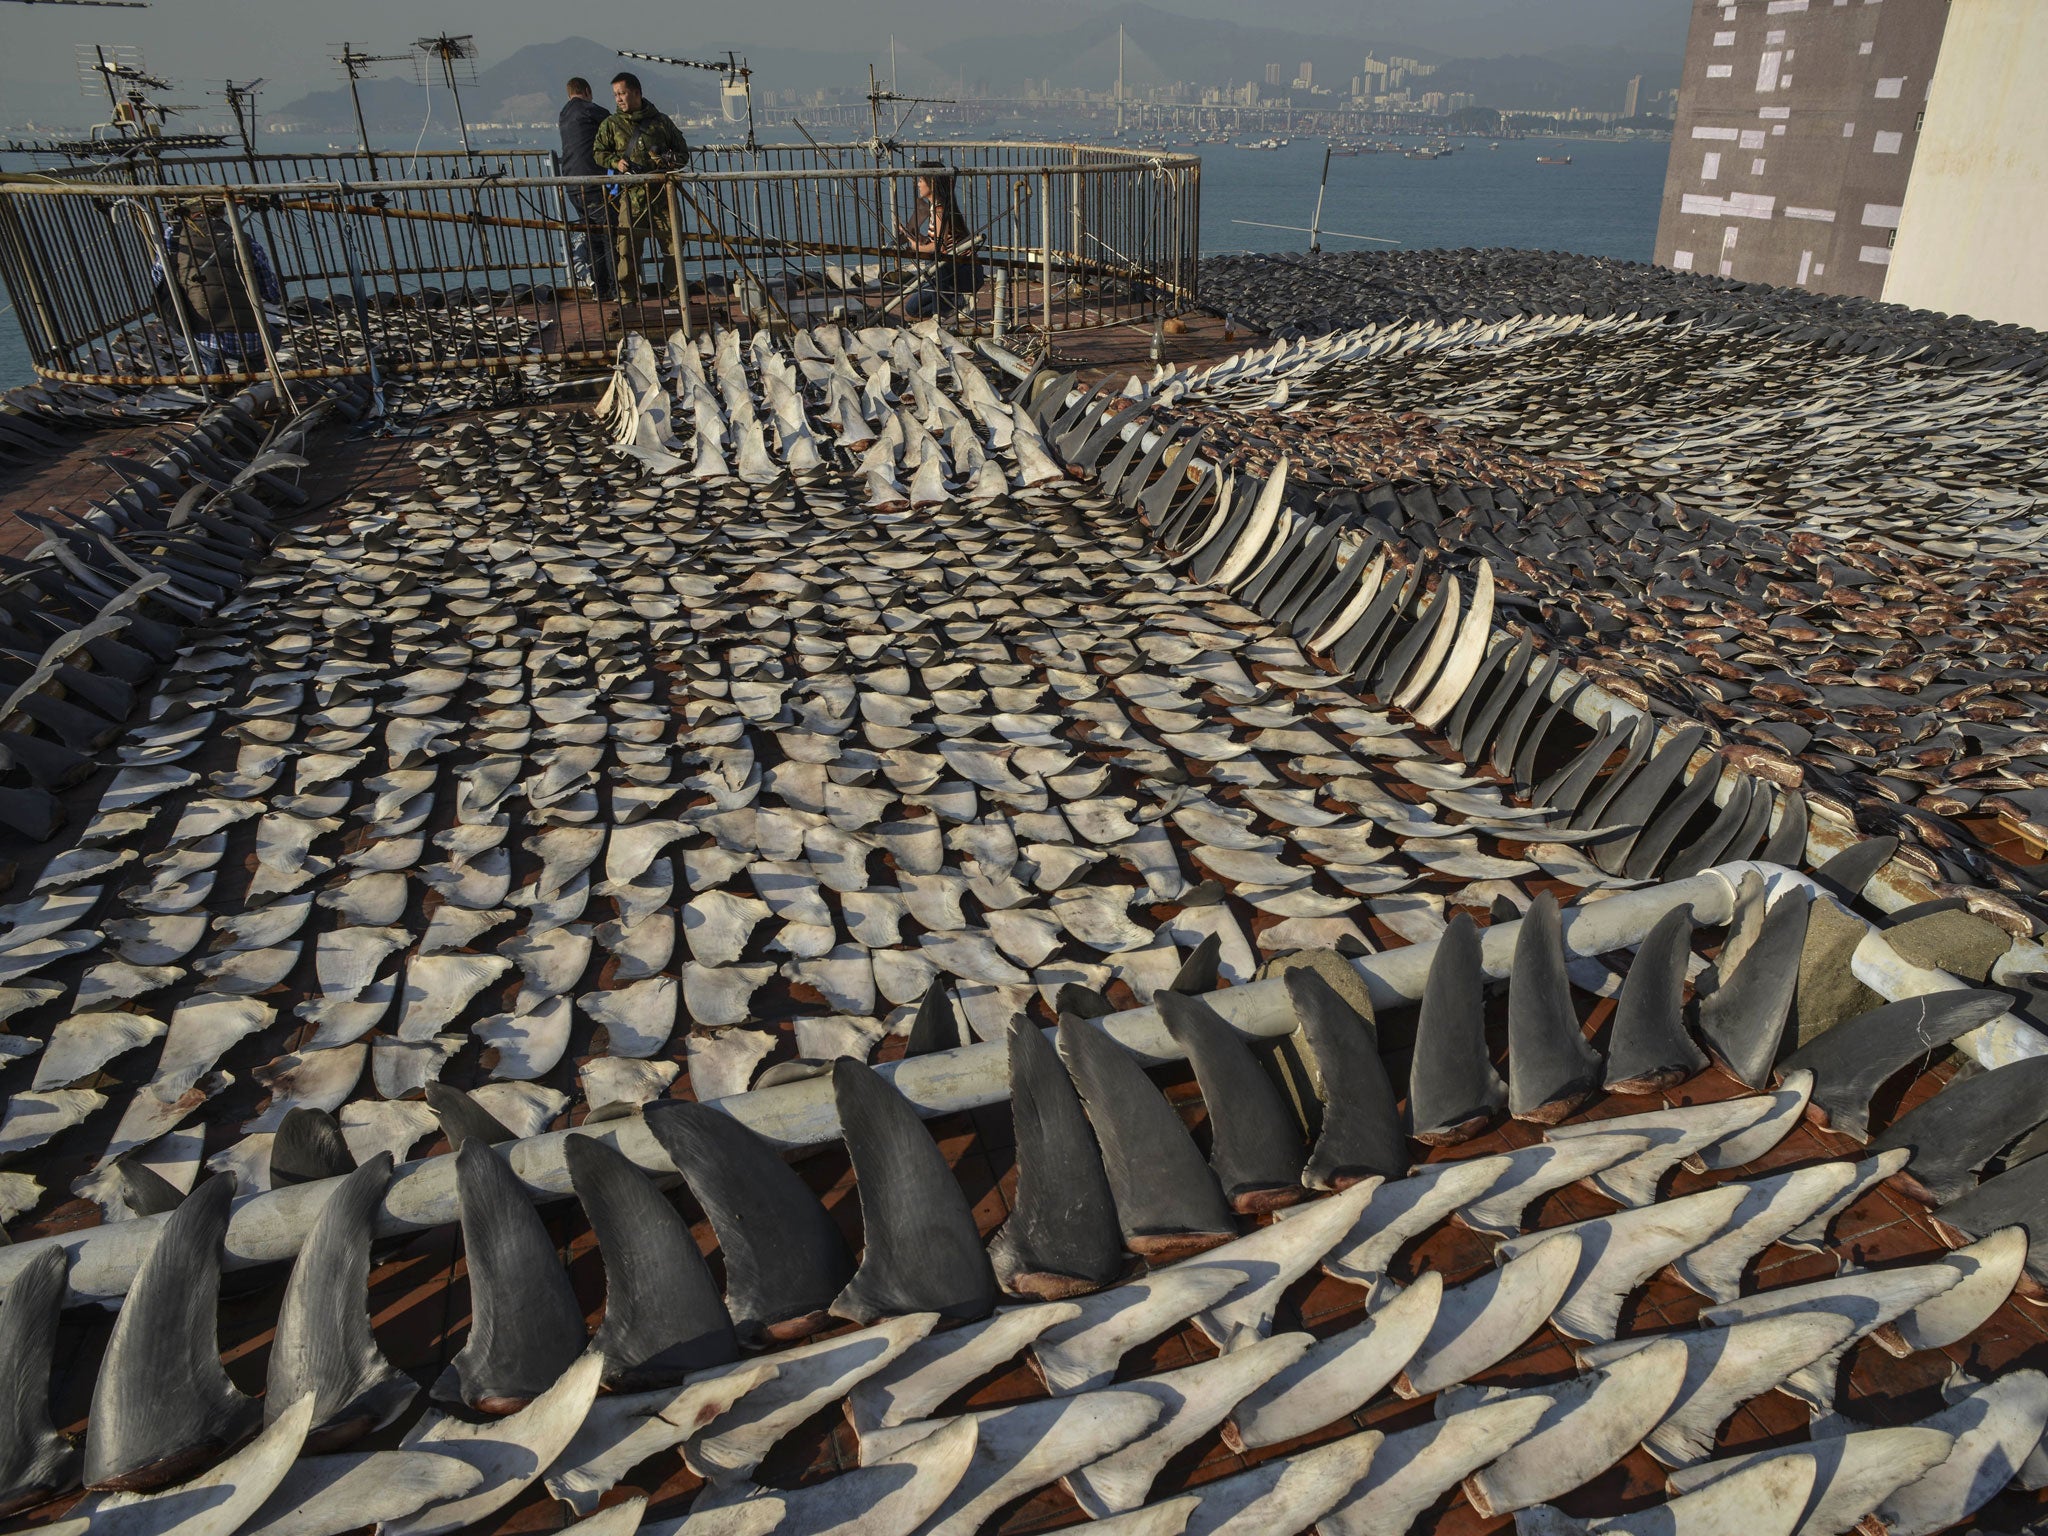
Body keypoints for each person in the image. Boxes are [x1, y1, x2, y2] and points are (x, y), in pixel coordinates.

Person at [591, 72, 692, 306]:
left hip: (662, 196)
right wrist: (616, 162)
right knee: (627, 250)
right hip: (631, 197)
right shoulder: (611, 125)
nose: (618, 99)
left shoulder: (661, 122)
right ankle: (628, 298)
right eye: (616, 94)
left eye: (622, 93)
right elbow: (598, 152)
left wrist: (667, 161)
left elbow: (683, 153)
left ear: (636, 92)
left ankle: (677, 296)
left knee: (673, 247)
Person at [154, 195, 281, 367]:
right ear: (221, 212)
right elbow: (271, 292)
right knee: (273, 336)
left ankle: (216, 378)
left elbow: (159, 278)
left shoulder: (175, 236)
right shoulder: (241, 237)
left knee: (204, 342)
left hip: (206, 337)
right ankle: (254, 373)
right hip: (252, 340)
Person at [896, 164, 980, 320]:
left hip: (960, 272)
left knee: (936, 263)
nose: (918, 184)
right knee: (912, 309)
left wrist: (915, 246)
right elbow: (937, 241)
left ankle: (943, 311)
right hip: (949, 272)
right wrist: (915, 238)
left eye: (921, 180)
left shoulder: (940, 209)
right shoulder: (936, 208)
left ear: (932, 183)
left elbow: (938, 247)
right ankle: (956, 301)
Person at [558, 77, 615, 300]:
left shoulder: (563, 114)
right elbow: (615, 130)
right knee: (610, 235)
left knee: (593, 237)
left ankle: (600, 291)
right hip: (595, 183)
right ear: (588, 91)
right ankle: (615, 289)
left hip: (573, 185)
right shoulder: (592, 111)